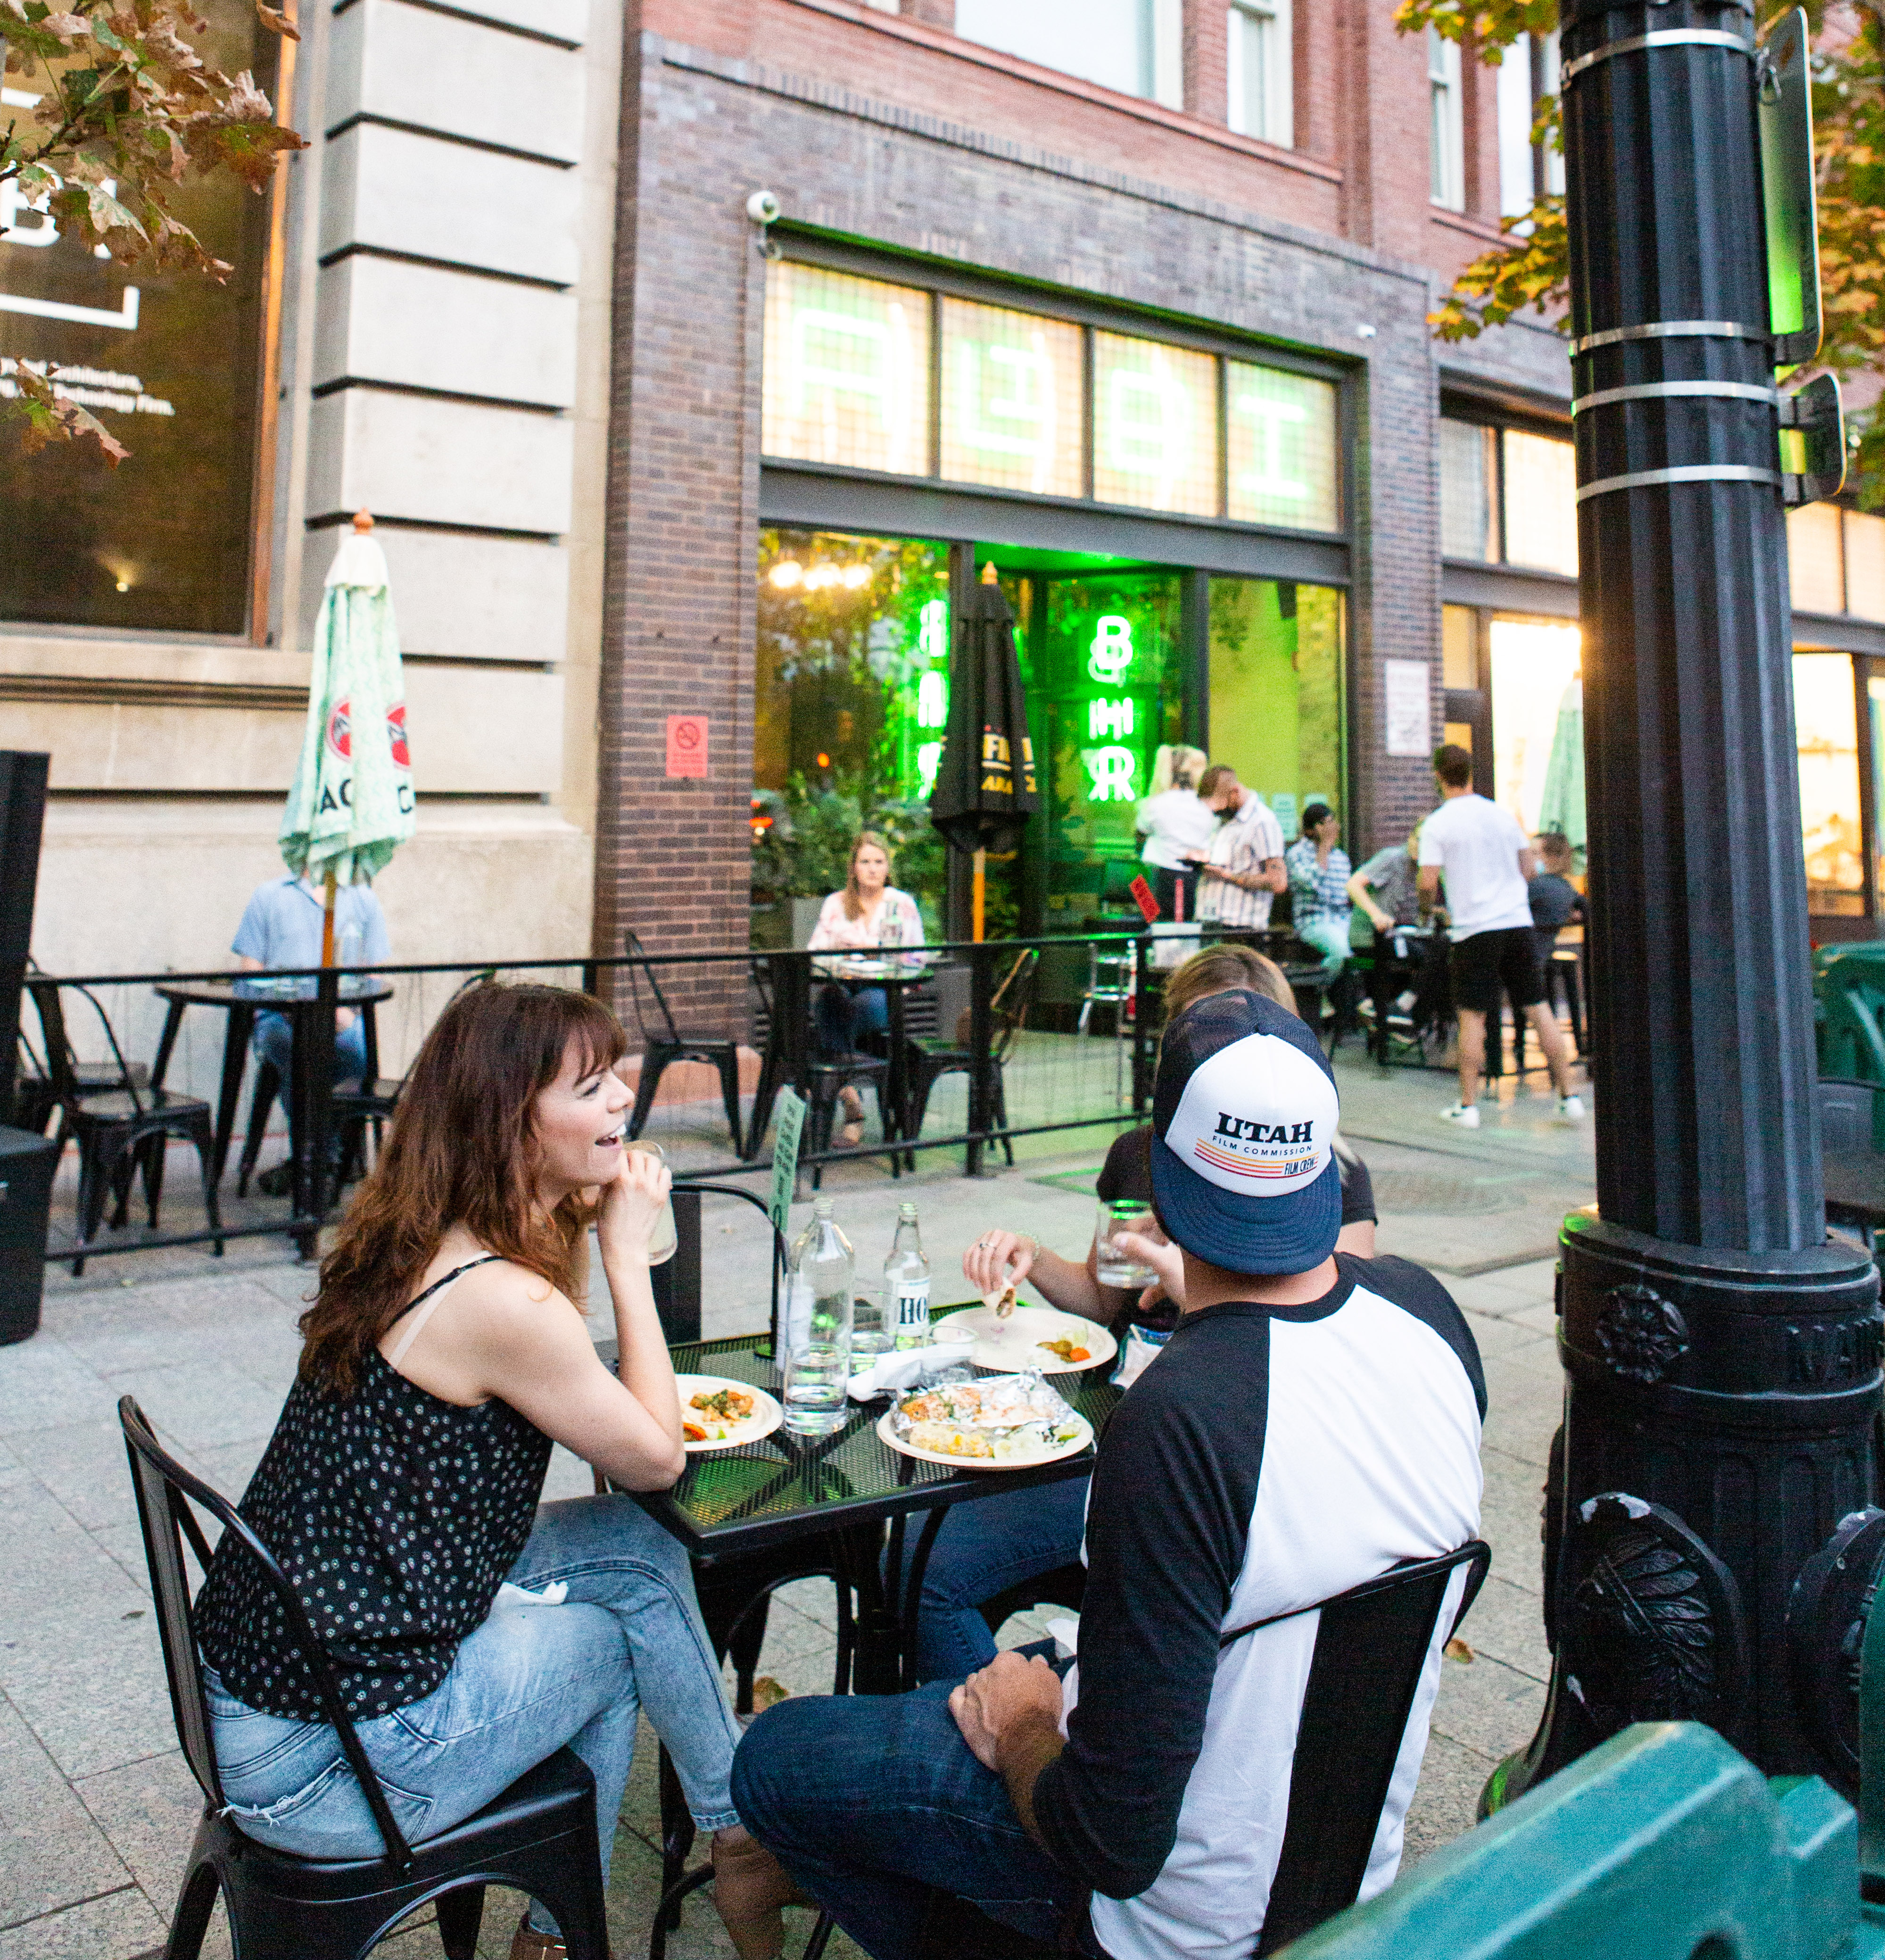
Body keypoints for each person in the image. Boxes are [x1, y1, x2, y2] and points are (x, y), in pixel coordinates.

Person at [733, 988, 1486, 1960]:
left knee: (776, 1758)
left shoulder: (1182, 1416)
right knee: (954, 1697)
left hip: (1172, 1916)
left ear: (1162, 1185)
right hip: (1342, 1864)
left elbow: (1112, 1838)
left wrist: (1023, 1728)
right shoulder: (1426, 1314)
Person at [190, 983, 795, 1960]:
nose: (621, 1106)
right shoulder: (501, 1298)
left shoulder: (417, 1232)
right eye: (592, 1087)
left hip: (276, 1678)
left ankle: (734, 1828)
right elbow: (655, 1454)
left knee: (636, 1547)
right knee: (607, 1647)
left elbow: (630, 1473)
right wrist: (625, 1255)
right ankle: (567, 1932)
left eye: (615, 1080)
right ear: (515, 1123)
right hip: (322, 1761)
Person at [886, 943, 1379, 1688]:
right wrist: (1032, 1255)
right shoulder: (1137, 1154)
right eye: (1195, 1042)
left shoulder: (1325, 1175)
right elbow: (1101, 1299)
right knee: (914, 1545)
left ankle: (1008, 1745)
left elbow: (1338, 1342)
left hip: (1209, 1460)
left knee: (924, 1571)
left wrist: (1188, 1281)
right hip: (1112, 1423)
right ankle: (1003, 1718)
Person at [1418, 744, 1582, 1130]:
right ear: (1471, 773)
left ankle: (1468, 1106)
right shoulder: (1502, 816)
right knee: (1538, 1007)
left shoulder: (1438, 824)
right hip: (1516, 924)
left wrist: (1428, 905)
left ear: (1439, 777)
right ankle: (1569, 1097)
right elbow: (1528, 869)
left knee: (1472, 1015)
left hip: (1475, 928)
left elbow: (1427, 881)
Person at [232, 869, 391, 1194]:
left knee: (357, 1050)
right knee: (294, 1047)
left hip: (341, 1015)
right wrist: (287, 1004)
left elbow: (372, 976)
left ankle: (319, 1159)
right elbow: (249, 971)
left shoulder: (362, 898)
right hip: (280, 1017)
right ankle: (325, 1160)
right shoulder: (269, 895)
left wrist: (345, 1011)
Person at [807, 831, 924, 1144]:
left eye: (879, 862)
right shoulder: (836, 904)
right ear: (854, 868)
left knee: (854, 1010)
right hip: (842, 985)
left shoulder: (902, 905)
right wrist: (841, 954)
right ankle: (851, 1100)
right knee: (827, 1002)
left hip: (884, 992)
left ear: (888, 867)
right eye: (865, 862)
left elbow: (917, 956)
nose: (873, 869)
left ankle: (844, 1096)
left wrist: (875, 948)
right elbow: (815, 952)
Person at [1194, 763, 1286, 930]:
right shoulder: (1224, 821)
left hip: (1241, 927)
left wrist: (1226, 875)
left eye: (1220, 807)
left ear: (1235, 793)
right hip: (1211, 921)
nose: (1217, 813)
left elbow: (1278, 882)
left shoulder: (1262, 822)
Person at [1134, 744, 1214, 921]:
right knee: (1187, 930)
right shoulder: (1207, 807)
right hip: (1196, 878)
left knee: (1155, 926)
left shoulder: (1154, 804)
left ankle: (1143, 943)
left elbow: (1140, 835)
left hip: (1155, 877)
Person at [1284, 802, 1354, 981]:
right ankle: (1318, 992)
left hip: (1343, 920)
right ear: (1310, 830)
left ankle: (1360, 1000)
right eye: (1326, 823)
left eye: (1333, 822)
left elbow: (1345, 896)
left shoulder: (1340, 857)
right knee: (1341, 951)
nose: (1333, 828)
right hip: (1313, 920)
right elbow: (1311, 884)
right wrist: (1323, 847)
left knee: (1369, 949)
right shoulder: (1296, 854)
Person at [1528, 830, 1586, 972]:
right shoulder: (1567, 887)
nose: (1529, 858)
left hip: (1524, 959)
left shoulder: (1538, 885)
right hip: (1544, 955)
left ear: (1552, 858)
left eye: (1535, 853)